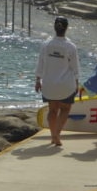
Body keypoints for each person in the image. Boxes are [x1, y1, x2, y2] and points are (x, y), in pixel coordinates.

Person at [35, 16, 80, 146]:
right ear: (66, 28)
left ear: (54, 27)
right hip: (66, 85)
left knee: (52, 110)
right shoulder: (70, 46)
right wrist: (77, 82)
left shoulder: (46, 45)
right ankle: (57, 134)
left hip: (49, 84)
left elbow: (40, 64)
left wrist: (38, 80)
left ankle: (53, 135)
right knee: (65, 109)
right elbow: (75, 67)